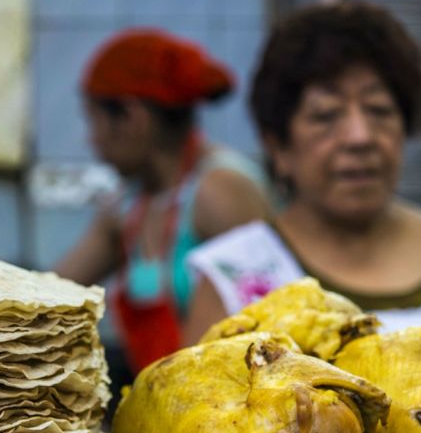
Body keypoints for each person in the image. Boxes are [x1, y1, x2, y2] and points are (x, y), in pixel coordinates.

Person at [184, 2, 421, 341]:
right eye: (326, 115)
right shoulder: (232, 278)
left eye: (379, 110)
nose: (360, 137)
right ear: (278, 147)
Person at [55, 29, 271, 372]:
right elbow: (52, 290)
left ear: (132, 116)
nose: (91, 141)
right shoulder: (128, 205)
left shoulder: (221, 190)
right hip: (161, 398)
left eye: (94, 121)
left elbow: (268, 325)